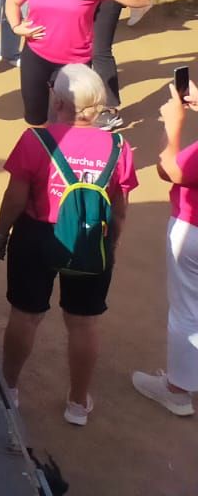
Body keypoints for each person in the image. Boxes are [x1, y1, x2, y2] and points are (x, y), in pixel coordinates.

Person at [0, 65, 136, 425]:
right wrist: (111, 245)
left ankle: (8, 389)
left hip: (38, 236)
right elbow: (119, 210)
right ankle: (76, 402)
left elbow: (14, 199)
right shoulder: (119, 146)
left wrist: (1, 233)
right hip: (90, 238)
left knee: (26, 314)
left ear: (58, 99)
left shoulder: (35, 140)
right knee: (84, 323)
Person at [6, 0, 147, 126]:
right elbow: (13, 1)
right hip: (35, 56)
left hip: (74, 62)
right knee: (36, 119)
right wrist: (16, 26)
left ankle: (68, 155)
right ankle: (43, 154)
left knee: (70, 120)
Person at [132, 79, 198, 417]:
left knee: (187, 311)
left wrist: (173, 127)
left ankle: (177, 391)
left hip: (193, 230)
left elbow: (169, 169)